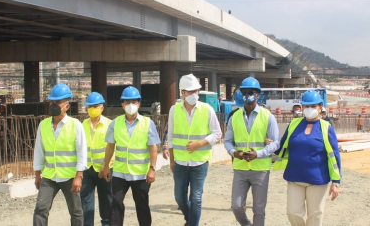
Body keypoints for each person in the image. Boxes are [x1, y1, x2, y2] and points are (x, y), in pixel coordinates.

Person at [274, 90, 341, 226]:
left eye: (313, 106)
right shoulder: (293, 124)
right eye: (306, 106)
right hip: (294, 178)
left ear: (320, 108)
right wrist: (270, 144)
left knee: (315, 215)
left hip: (318, 180)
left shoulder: (326, 128)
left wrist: (336, 182)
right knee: (292, 213)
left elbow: (334, 156)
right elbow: (282, 147)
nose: (309, 109)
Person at [224, 77, 280, 226]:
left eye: (251, 92)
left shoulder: (267, 116)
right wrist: (234, 153)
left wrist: (259, 153)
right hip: (240, 168)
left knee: (259, 209)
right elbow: (227, 141)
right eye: (245, 92)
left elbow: (276, 142)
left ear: (258, 95)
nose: (247, 94)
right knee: (236, 206)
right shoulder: (234, 117)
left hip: (260, 169)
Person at [168, 74, 222, 226]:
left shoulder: (207, 109)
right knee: (179, 197)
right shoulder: (174, 110)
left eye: (196, 91)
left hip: (199, 162)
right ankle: (190, 219)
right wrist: (172, 160)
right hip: (180, 162)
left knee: (196, 198)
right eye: (190, 92)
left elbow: (217, 133)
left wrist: (199, 143)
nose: (193, 95)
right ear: (182, 92)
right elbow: (170, 136)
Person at [102, 86, 160, 226]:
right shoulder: (115, 123)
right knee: (116, 203)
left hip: (140, 174)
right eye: (127, 102)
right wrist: (106, 166)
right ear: (122, 104)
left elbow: (153, 148)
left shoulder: (148, 123)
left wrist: (152, 168)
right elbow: (110, 146)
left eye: (134, 102)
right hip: (120, 172)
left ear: (139, 104)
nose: (130, 105)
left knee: (142, 205)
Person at [33, 83, 87, 226]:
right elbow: (39, 150)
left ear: (67, 106)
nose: (54, 105)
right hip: (50, 175)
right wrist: (37, 174)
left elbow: (82, 152)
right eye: (52, 102)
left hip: (69, 176)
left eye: (58, 102)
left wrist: (78, 177)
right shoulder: (43, 125)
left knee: (75, 210)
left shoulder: (75, 125)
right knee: (40, 208)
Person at [81, 92, 113, 226]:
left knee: (106, 200)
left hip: (104, 169)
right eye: (90, 106)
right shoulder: (83, 124)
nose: (92, 109)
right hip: (87, 168)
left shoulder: (109, 125)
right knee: (85, 201)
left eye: (95, 106)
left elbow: (114, 148)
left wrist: (107, 166)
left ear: (102, 108)